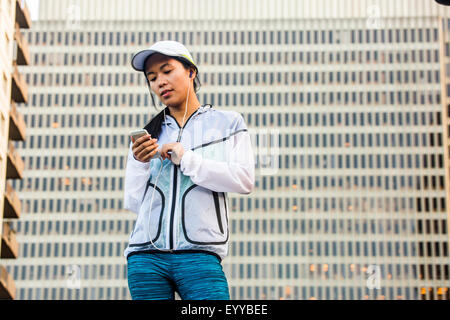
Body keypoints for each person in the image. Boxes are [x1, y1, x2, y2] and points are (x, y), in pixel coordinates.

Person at [123, 40, 255, 300]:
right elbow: (133, 202)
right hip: (145, 258)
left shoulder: (227, 123)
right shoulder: (149, 135)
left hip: (200, 255)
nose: (160, 81)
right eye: (152, 77)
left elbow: (244, 180)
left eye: (167, 70)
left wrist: (187, 158)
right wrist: (140, 163)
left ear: (191, 72)